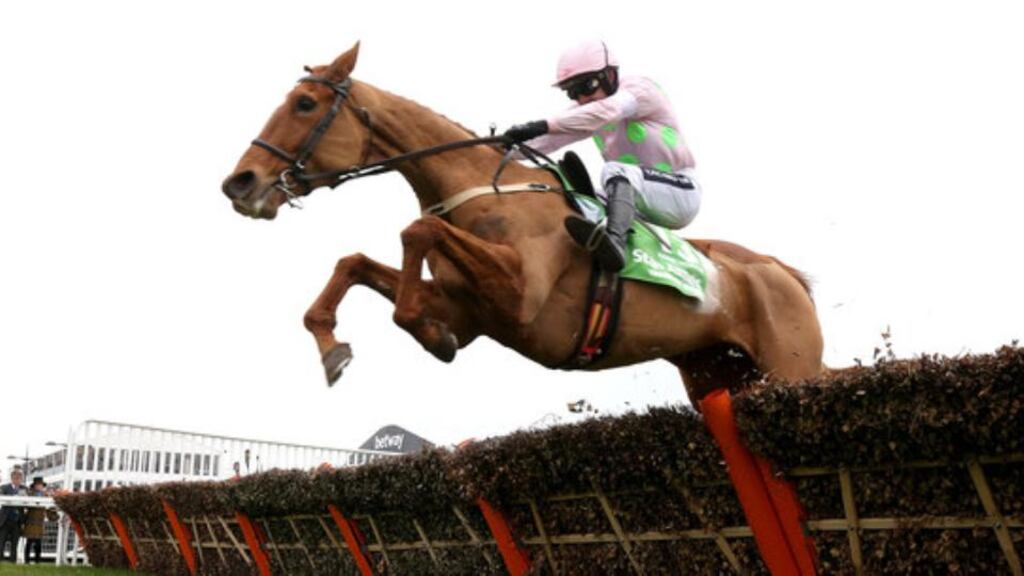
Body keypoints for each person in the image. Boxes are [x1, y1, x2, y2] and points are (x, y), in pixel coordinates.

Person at [504, 40, 702, 272]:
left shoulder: (639, 90)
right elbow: (548, 140)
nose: (582, 99)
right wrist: (498, 151)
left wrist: (539, 125)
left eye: (587, 86)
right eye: (573, 93)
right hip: (638, 202)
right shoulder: (590, 112)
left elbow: (606, 112)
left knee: (614, 170)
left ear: (610, 74)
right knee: (573, 196)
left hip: (680, 193)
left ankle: (615, 245)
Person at [22, 477, 55, 564]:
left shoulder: (46, 495)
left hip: (40, 522)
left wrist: (52, 516)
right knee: (29, 542)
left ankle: (37, 561)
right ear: (34, 486)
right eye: (37, 485)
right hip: (30, 521)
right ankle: (27, 561)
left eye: (40, 485)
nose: (39, 486)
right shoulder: (30, 494)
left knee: (38, 544)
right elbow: (25, 506)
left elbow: (49, 508)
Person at [0, 468, 28, 562]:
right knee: (1, 542)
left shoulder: (24, 488)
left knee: (15, 543)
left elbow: (26, 502)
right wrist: (13, 498)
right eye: (16, 477)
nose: (17, 480)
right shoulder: (4, 487)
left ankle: (13, 561)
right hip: (5, 520)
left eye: (19, 478)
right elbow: (2, 498)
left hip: (17, 521)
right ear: (12, 478)